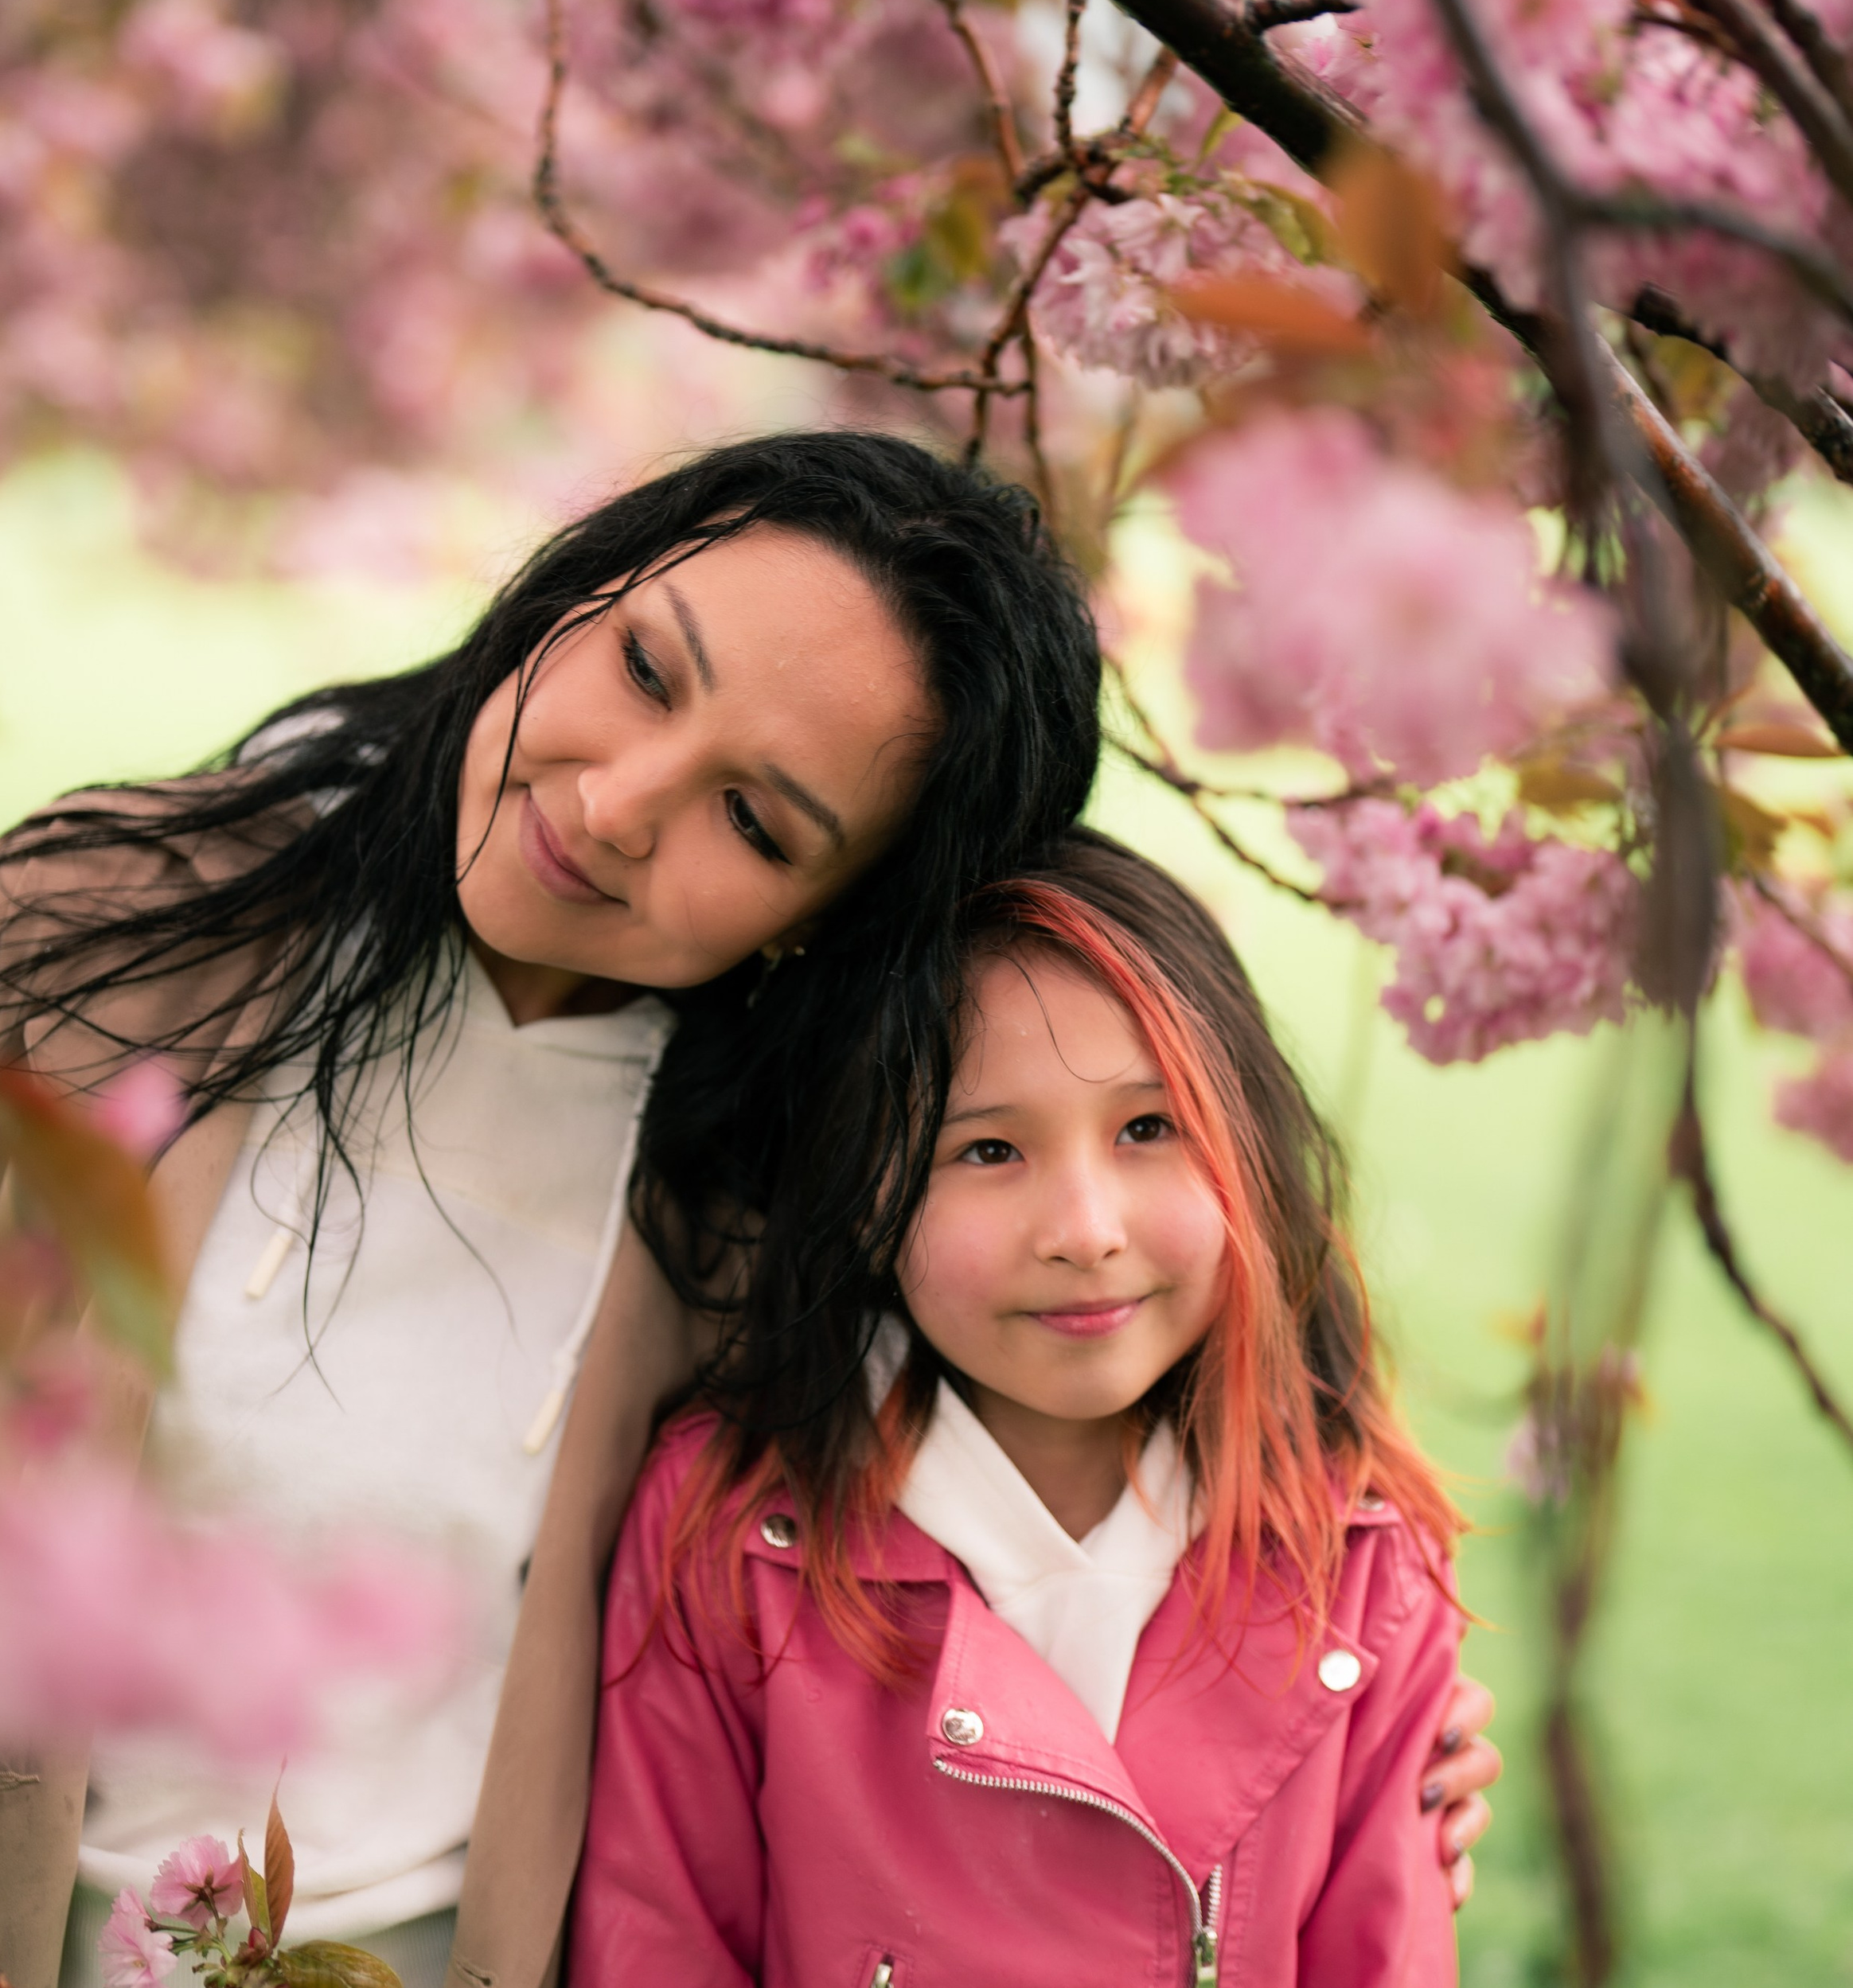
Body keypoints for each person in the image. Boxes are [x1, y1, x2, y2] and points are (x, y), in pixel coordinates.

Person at [0, 436, 1494, 1988]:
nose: (616, 803)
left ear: (824, 921)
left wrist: (1360, 1701)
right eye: (641, 668)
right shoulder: (82, 946)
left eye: (753, 821)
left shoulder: (774, 1203)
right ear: (582, 584)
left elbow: (1047, 1493)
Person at [572, 828, 1468, 1986]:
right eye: (988, 1149)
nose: (1085, 1229)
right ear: (863, 1198)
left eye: (1150, 1129)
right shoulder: (731, 1539)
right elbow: (662, 1946)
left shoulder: (1362, 1570)